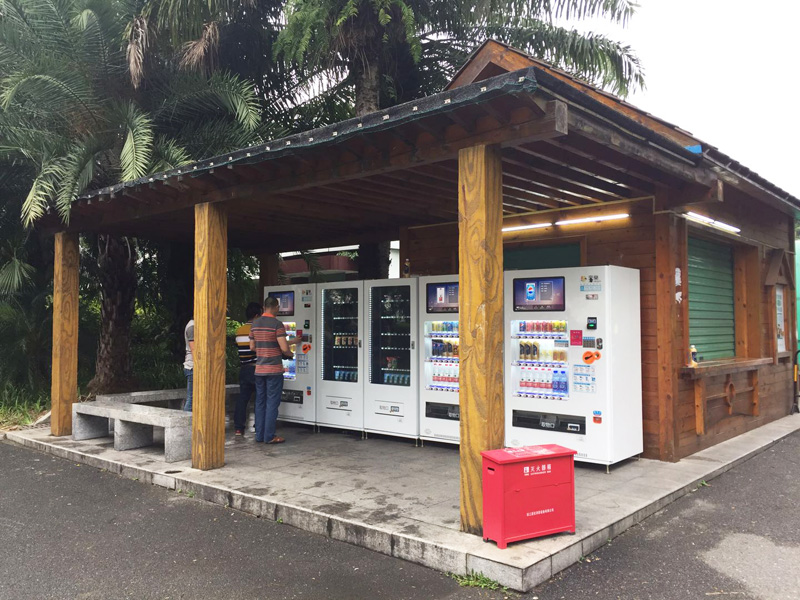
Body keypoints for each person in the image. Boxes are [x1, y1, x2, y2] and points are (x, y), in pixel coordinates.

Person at [249, 296, 298, 444]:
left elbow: (252, 347)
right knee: (272, 403)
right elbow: (284, 348)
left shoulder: (255, 324)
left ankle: (259, 435)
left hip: (259, 370)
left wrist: (264, 350)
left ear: (264, 307)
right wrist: (290, 354)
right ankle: (269, 436)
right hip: (274, 370)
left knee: (260, 402)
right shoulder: (277, 324)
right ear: (276, 307)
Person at [233, 302, 262, 436]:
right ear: (257, 315)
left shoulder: (239, 330)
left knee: (243, 399)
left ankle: (239, 428)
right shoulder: (257, 330)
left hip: (244, 369)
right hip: (257, 368)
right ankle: (259, 426)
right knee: (260, 398)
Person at [183, 319, 194, 412]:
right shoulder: (192, 327)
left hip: (193, 366)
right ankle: (184, 426)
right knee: (191, 399)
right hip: (192, 367)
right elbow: (194, 349)